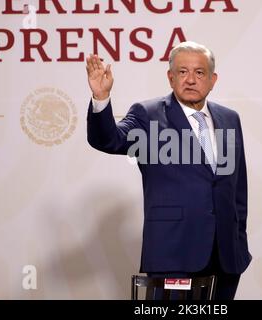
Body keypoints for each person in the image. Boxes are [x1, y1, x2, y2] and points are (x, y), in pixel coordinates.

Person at [85, 41, 251, 300]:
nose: (191, 80)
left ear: (212, 79)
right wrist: (101, 99)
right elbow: (109, 140)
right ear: (170, 77)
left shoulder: (230, 118)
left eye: (199, 72)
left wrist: (239, 238)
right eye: (182, 72)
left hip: (226, 256)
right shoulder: (147, 115)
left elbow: (237, 187)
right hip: (173, 252)